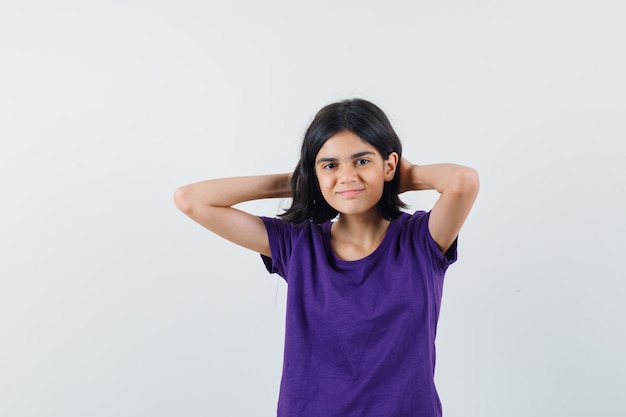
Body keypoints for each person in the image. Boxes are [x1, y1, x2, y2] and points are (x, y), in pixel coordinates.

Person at [174, 98, 479, 417]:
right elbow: (191, 200)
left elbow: (463, 181)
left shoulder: (421, 239)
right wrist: (296, 182)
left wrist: (399, 175)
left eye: (362, 161)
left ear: (389, 165)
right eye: (330, 165)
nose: (346, 176)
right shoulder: (297, 245)